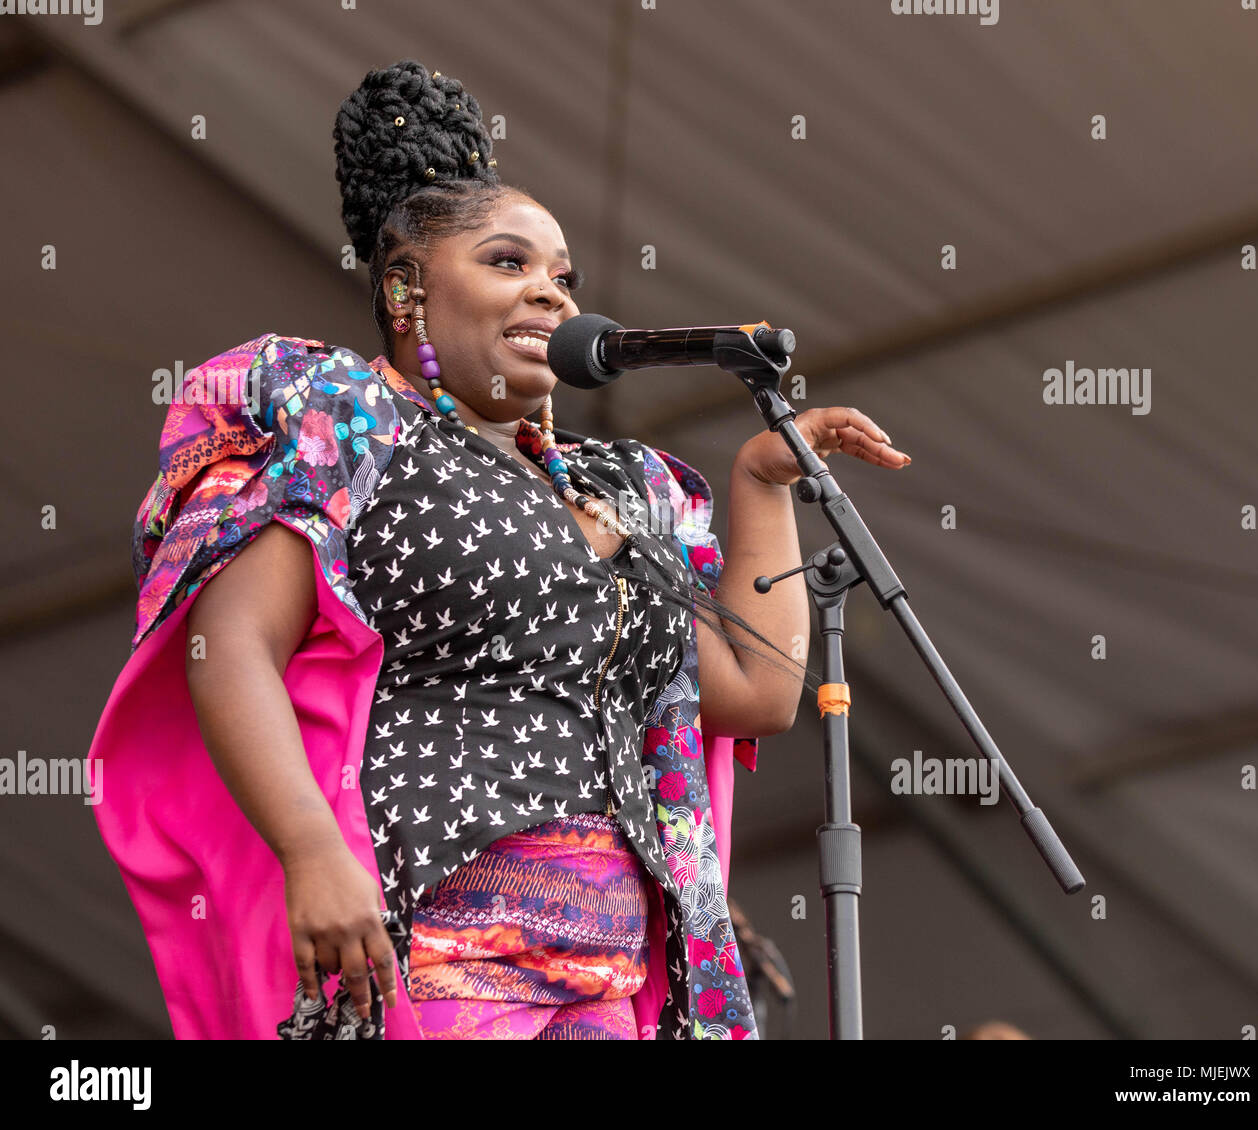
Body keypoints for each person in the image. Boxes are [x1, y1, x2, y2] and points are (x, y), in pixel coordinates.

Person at [86, 60, 911, 1041]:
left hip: (611, 964)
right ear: (405, 290)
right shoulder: (351, 425)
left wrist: (761, 485)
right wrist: (309, 849)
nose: (551, 296)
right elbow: (229, 645)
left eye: (564, 277)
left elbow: (754, 690)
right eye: (509, 263)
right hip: (435, 942)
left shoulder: (621, 485)